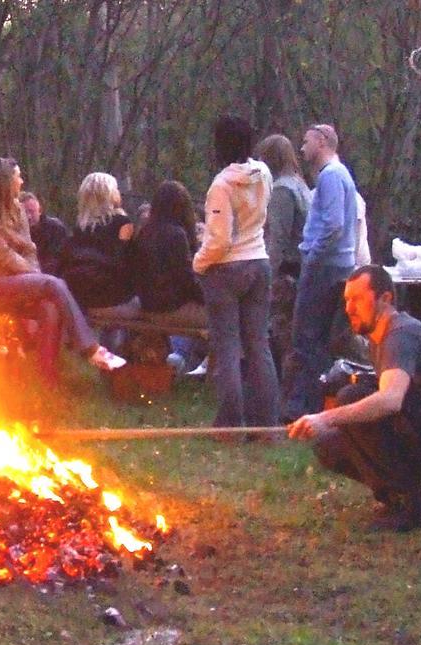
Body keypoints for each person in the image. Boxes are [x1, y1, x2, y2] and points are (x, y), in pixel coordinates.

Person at [288, 265, 421, 531]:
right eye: (347, 300)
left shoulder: (399, 334)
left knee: (351, 398)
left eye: (358, 299)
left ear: (385, 299)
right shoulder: (380, 337)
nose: (349, 308)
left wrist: (325, 417)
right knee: (329, 446)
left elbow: (391, 400)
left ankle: (411, 507)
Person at [0, 157, 126, 384]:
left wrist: (34, 278)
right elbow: (4, 255)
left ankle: (46, 379)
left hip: (20, 280)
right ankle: (90, 348)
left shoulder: (17, 209)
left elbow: (29, 249)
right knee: (52, 284)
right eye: (18, 177)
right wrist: (38, 279)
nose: (21, 181)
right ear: (5, 181)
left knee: (50, 307)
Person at [193, 115, 279, 429]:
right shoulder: (264, 174)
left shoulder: (221, 186)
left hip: (227, 268)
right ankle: (267, 423)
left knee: (227, 346)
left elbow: (218, 239)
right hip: (259, 262)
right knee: (259, 345)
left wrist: (198, 263)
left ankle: (231, 424)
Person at [282, 124, 359, 422]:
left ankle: (301, 409)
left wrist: (313, 255)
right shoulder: (341, 175)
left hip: (324, 267)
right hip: (337, 265)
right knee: (320, 341)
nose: (302, 148)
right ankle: (310, 408)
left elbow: (334, 224)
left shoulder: (330, 176)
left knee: (306, 339)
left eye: (306, 142)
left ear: (323, 141)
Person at [131, 180, 207, 372]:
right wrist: (207, 297)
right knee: (224, 316)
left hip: (147, 303)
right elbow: (186, 279)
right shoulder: (177, 235)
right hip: (168, 306)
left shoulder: (145, 232)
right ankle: (206, 371)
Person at [254, 133, 313, 374]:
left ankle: (283, 393)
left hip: (287, 272)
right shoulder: (300, 185)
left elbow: (278, 239)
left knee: (283, 334)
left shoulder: (281, 191)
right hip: (303, 268)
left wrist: (266, 275)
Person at [61, 172, 140, 321]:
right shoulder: (122, 223)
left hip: (78, 294)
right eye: (116, 189)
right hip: (111, 294)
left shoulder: (80, 227)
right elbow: (128, 260)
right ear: (109, 195)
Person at [20, 191, 69, 277]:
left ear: (40, 211)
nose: (28, 217)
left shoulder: (55, 229)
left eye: (31, 211)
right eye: (24, 213)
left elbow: (58, 260)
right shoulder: (15, 233)